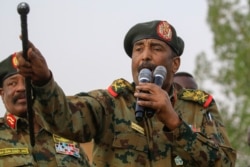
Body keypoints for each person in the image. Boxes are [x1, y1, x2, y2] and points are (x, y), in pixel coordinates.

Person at [17, 20, 236, 166]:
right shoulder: (110, 103)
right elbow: (64, 120)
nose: (145, 56)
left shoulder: (200, 107)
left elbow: (224, 162)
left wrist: (174, 122)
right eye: (138, 49)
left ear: (175, 64)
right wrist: (44, 80)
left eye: (156, 48)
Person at [0, 53, 90, 167]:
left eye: (27, 81)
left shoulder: (63, 131)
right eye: (13, 83)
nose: (22, 88)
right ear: (2, 93)